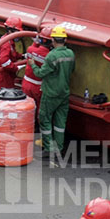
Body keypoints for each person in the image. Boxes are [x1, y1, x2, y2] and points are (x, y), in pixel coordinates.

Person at [31, 25, 75, 160]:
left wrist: (32, 64)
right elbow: (72, 70)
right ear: (65, 40)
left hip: (50, 94)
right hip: (64, 93)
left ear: (53, 40)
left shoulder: (51, 56)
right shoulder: (70, 54)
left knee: (45, 120)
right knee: (60, 122)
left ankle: (49, 148)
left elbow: (40, 73)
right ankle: (59, 148)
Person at [21, 24, 52, 113]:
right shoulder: (49, 56)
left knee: (26, 108)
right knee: (39, 108)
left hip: (26, 83)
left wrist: (36, 40)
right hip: (39, 86)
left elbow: (34, 49)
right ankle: (37, 125)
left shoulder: (30, 49)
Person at [0, 17, 25, 91]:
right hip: (4, 75)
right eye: (17, 32)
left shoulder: (8, 40)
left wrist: (22, 56)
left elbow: (12, 53)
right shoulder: (7, 44)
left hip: (7, 74)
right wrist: (15, 68)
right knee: (6, 95)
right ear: (10, 30)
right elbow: (4, 61)